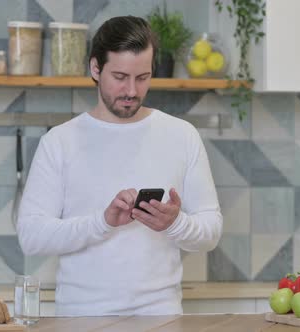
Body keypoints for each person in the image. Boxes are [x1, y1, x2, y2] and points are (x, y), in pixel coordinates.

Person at [17, 15, 222, 316]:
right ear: (95, 68)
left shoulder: (182, 136)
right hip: (80, 319)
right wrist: (103, 222)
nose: (131, 91)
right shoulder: (60, 142)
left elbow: (211, 230)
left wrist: (175, 223)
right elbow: (31, 236)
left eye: (142, 78)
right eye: (120, 77)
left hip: (161, 319)